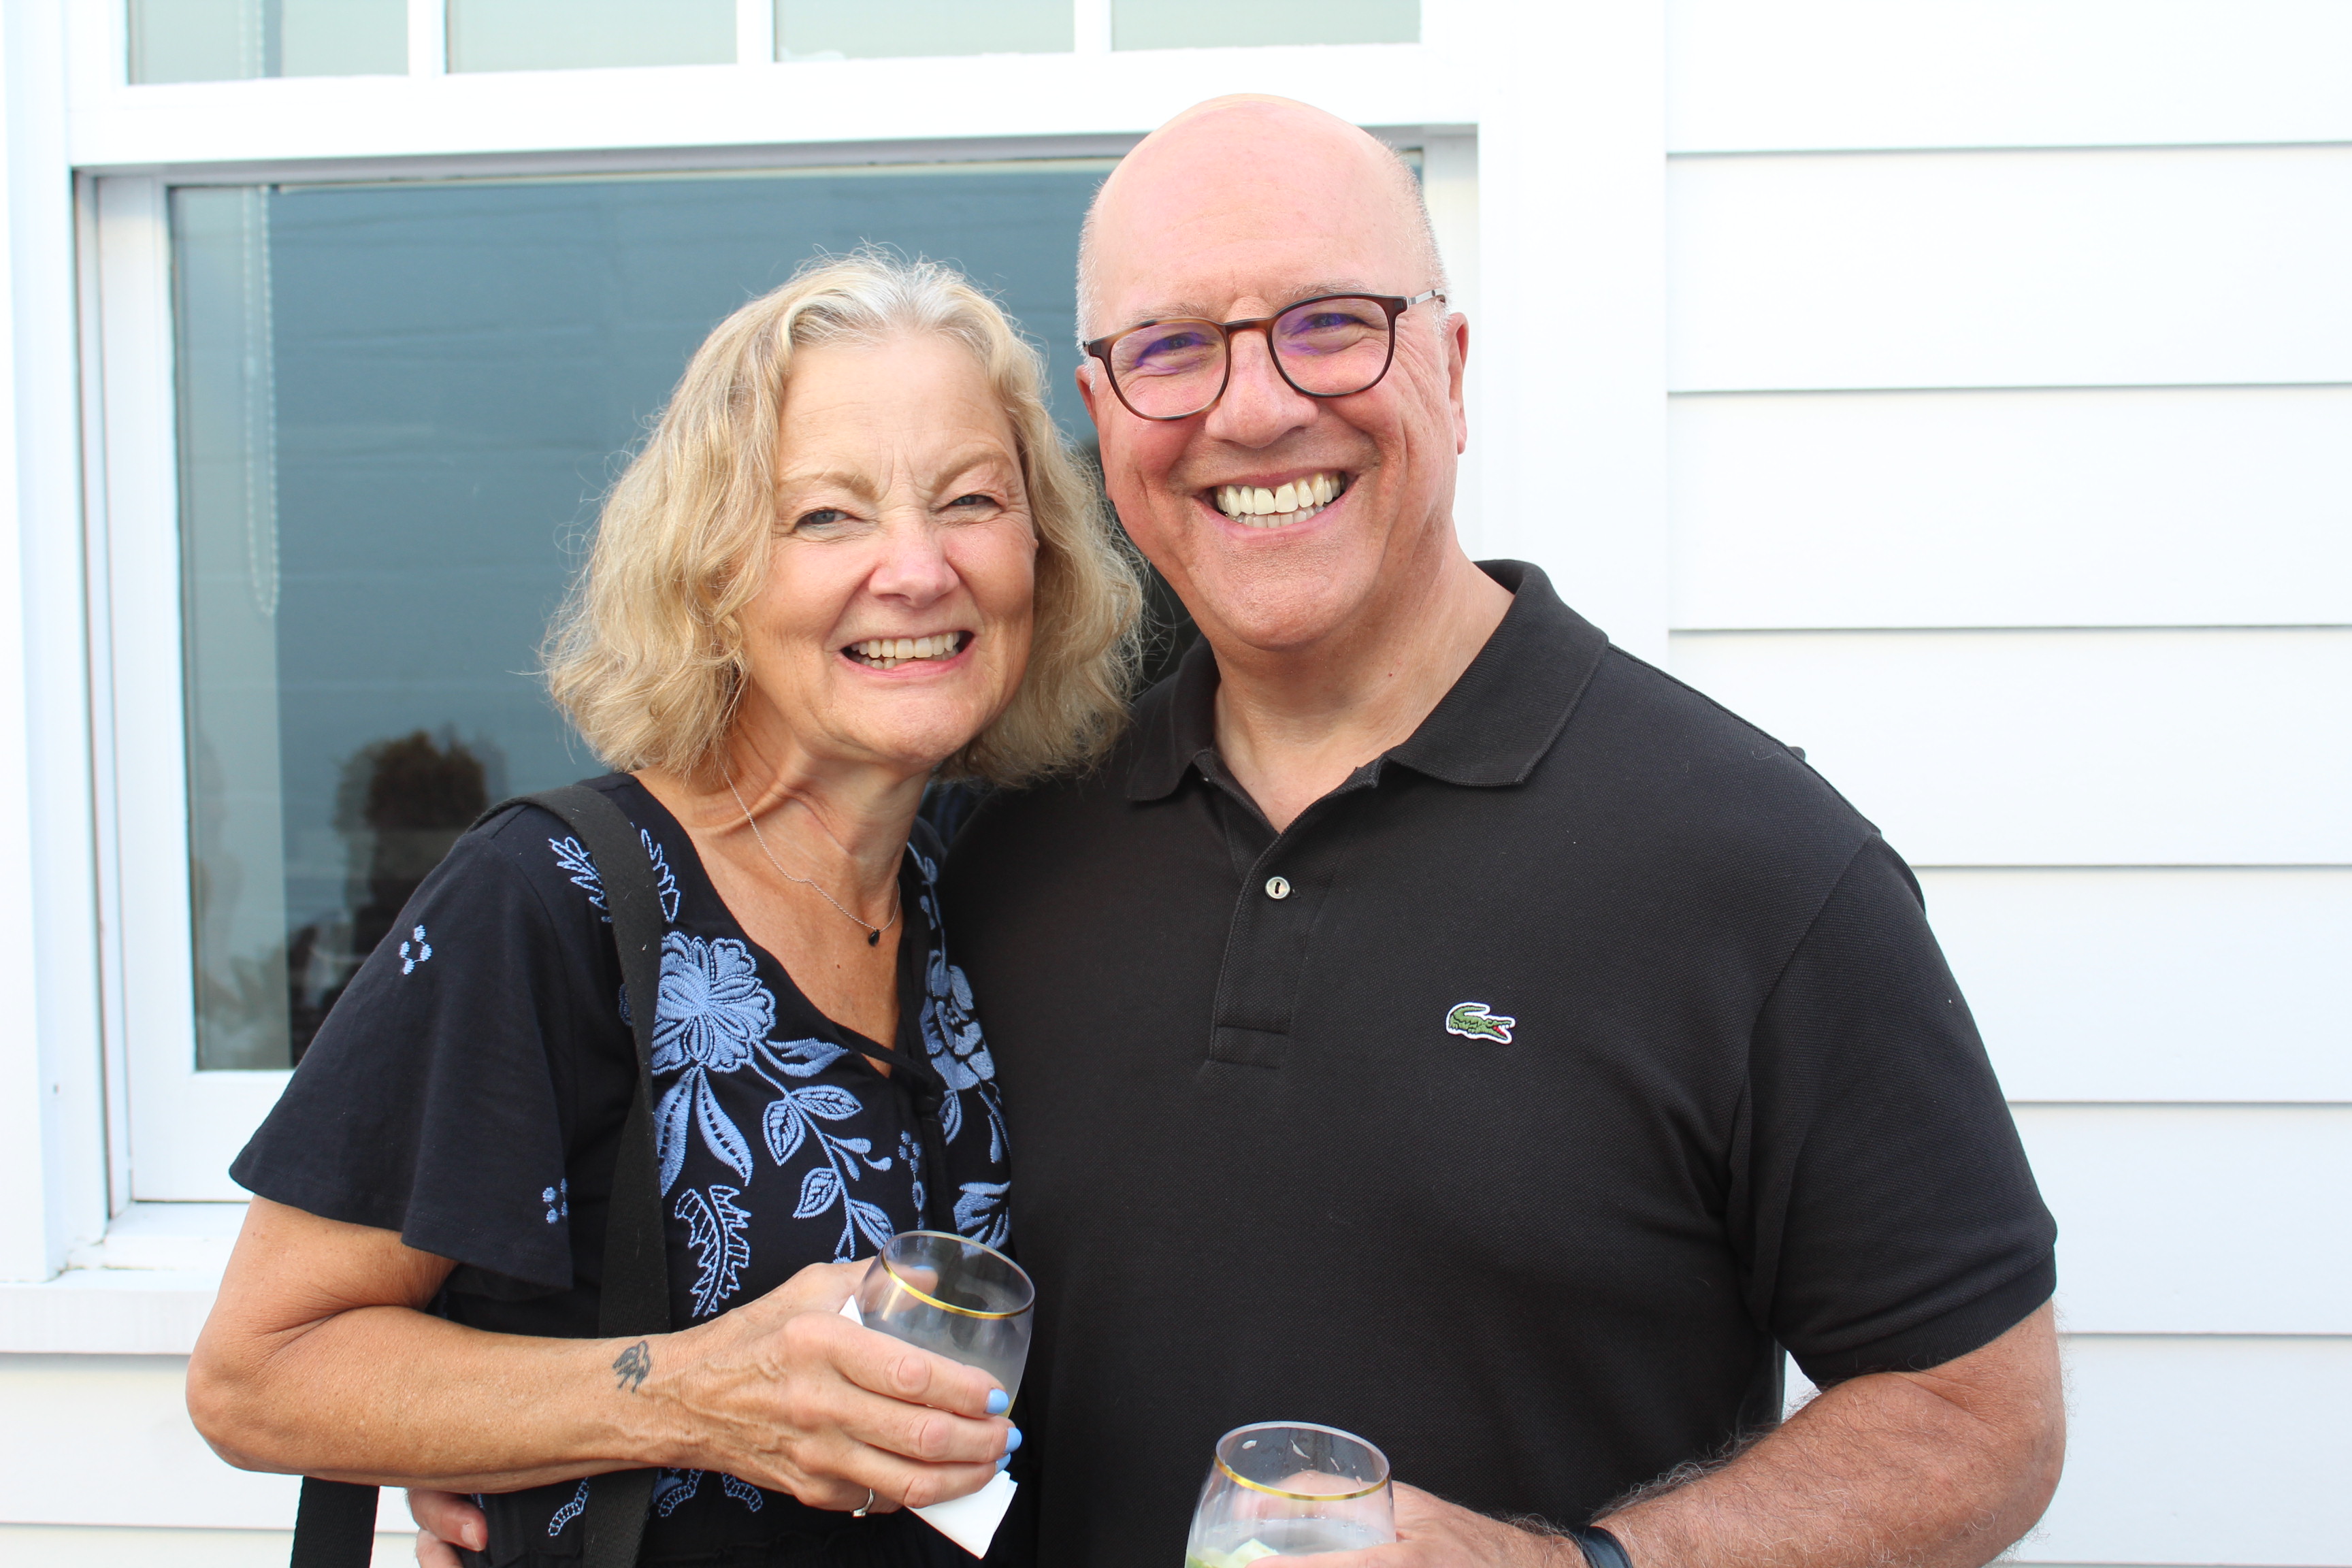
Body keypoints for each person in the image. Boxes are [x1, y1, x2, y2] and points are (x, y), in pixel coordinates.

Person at [936, 97, 2066, 1568]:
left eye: (1330, 324)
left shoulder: (1759, 867)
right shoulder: (1002, 842)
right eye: (1171, 348)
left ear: (1451, 373)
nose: (1256, 408)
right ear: (1106, 421)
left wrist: (1581, 1566)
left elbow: (1985, 1423)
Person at [186, 252, 1140, 1567]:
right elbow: (258, 1374)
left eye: (974, 500)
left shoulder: (962, 884)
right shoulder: (551, 901)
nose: (918, 570)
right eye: (827, 516)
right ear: (714, 575)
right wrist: (698, 1399)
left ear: (1042, 553)